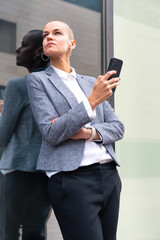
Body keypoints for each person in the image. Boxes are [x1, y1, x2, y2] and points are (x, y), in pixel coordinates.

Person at [27, 21, 125, 240]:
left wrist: (88, 133)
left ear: (72, 43)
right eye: (45, 35)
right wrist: (91, 101)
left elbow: (118, 128)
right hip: (71, 180)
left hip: (109, 176)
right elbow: (51, 132)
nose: (48, 37)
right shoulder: (38, 80)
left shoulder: (92, 82)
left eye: (56, 33)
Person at [0, 30, 51, 240]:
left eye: (24, 45)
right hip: (45, 172)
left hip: (16, 170)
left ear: (39, 51)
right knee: (35, 230)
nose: (17, 49)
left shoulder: (18, 85)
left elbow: (2, 136)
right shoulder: (57, 85)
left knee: (7, 230)